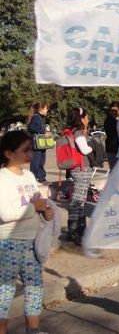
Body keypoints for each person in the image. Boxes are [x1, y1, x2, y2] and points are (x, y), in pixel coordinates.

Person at [0, 130, 54, 334]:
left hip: (32, 243)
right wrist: (36, 208)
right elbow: (5, 213)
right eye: (25, 150)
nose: (30, 155)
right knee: (4, 293)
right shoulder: (2, 179)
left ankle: (33, 330)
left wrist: (46, 212)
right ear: (8, 153)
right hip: (8, 243)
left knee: (35, 289)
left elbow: (38, 202)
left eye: (30, 149)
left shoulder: (30, 176)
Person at [63, 108, 94, 246]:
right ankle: (75, 231)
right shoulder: (78, 132)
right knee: (78, 200)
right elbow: (84, 149)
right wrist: (93, 146)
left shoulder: (71, 131)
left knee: (79, 200)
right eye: (86, 117)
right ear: (81, 118)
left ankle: (77, 230)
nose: (88, 119)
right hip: (82, 169)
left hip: (75, 169)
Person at [26, 102, 49, 184]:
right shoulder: (36, 117)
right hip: (37, 143)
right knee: (36, 161)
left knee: (41, 161)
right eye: (46, 108)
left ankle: (41, 177)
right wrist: (43, 131)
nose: (47, 110)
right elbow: (31, 127)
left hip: (41, 143)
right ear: (41, 109)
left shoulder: (41, 118)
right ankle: (34, 178)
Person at [103, 102, 119, 169]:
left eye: (115, 110)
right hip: (112, 149)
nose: (114, 112)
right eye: (112, 111)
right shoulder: (108, 120)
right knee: (114, 169)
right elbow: (113, 133)